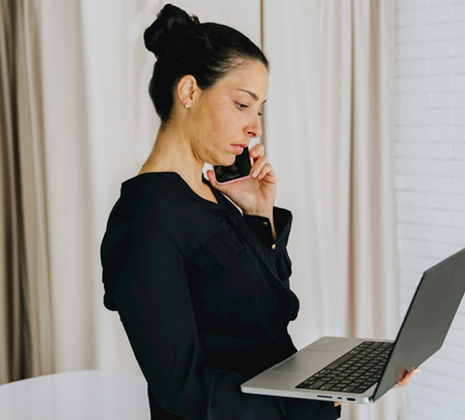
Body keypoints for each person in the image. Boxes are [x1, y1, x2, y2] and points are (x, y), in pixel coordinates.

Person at [100, 4, 415, 419]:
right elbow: (187, 391)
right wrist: (316, 400)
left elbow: (273, 312)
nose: (256, 128)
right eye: (242, 105)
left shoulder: (212, 195)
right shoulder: (143, 221)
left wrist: (259, 214)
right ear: (189, 92)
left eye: (259, 109)